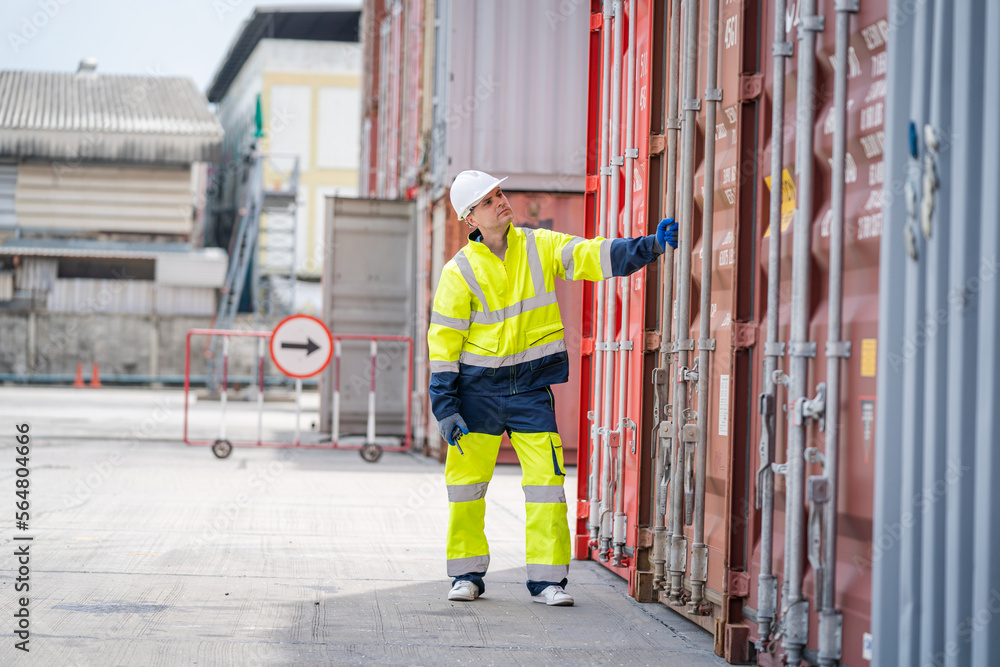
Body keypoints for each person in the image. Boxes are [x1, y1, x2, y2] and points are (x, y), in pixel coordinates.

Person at [428, 169, 678, 606]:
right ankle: (465, 575)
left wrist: (649, 246)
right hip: (476, 396)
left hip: (528, 392)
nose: (501, 202)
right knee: (466, 489)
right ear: (471, 218)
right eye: (488, 201)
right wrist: (445, 407)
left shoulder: (538, 245)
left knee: (546, 486)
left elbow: (591, 256)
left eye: (500, 194)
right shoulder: (459, 272)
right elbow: (443, 343)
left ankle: (547, 582)